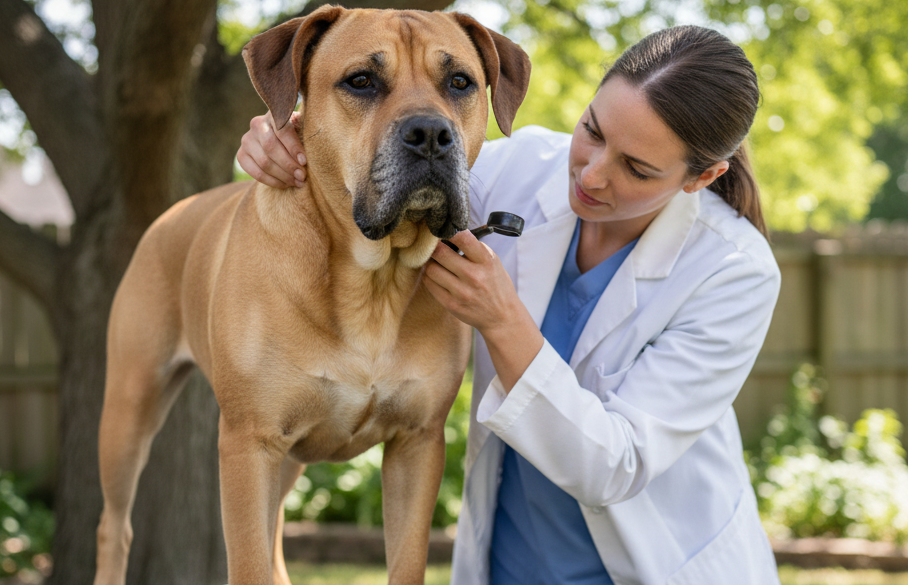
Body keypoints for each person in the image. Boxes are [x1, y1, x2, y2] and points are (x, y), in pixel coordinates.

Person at [238, 24, 782, 585]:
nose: (592, 174)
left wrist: (503, 320)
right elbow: (372, 163)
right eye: (592, 130)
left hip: (655, 570)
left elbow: (616, 465)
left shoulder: (734, 272)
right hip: (510, 566)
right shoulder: (519, 171)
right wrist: (279, 138)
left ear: (704, 177)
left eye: (636, 169)